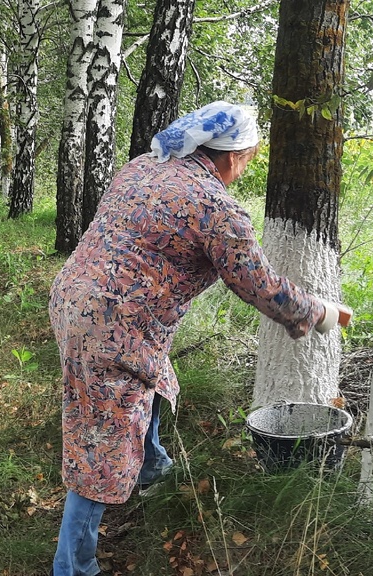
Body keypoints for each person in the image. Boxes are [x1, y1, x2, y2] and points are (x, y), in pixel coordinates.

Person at [47, 101, 352, 576]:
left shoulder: (144, 167)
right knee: (100, 450)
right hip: (116, 329)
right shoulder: (216, 209)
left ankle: (152, 469)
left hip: (74, 303)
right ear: (231, 156)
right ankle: (72, 568)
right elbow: (261, 286)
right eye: (249, 159)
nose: (245, 169)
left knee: (136, 388)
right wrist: (324, 312)